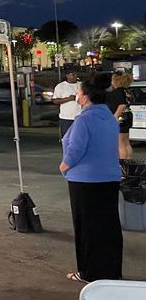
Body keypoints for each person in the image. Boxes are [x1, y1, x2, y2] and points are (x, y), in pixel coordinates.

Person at [59, 76, 122, 283]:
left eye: (78, 93)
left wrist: (64, 165)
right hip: (109, 178)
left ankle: (89, 272)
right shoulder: (110, 119)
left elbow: (76, 149)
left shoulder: (84, 120)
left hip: (85, 181)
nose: (77, 96)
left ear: (85, 98)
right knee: (108, 226)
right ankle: (110, 270)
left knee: (86, 228)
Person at [106, 72, 133, 161]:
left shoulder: (118, 92)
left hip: (120, 118)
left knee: (120, 143)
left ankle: (123, 164)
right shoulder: (126, 91)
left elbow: (122, 105)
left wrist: (115, 117)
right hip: (127, 116)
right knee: (126, 141)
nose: (111, 82)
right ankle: (128, 161)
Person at [52, 70, 81, 140]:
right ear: (67, 75)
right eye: (73, 74)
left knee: (79, 138)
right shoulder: (61, 86)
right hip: (66, 117)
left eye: (76, 74)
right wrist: (68, 99)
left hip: (80, 116)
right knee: (66, 139)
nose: (75, 76)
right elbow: (55, 100)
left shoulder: (82, 85)